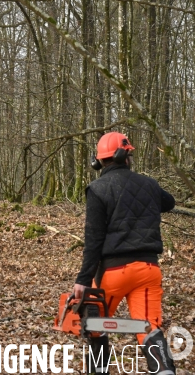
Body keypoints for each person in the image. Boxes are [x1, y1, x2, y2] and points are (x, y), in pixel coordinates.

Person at [73, 132, 176, 375]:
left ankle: (99, 371)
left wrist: (83, 280)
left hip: (114, 273)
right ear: (124, 155)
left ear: (98, 161)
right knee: (149, 328)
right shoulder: (149, 184)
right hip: (148, 271)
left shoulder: (97, 189)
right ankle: (165, 371)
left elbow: (94, 239)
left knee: (96, 326)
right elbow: (169, 203)